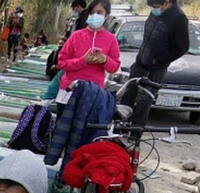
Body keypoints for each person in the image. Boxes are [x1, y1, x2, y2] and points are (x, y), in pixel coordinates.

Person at [119, 0, 188, 128]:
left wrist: (158, 60)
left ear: (167, 2)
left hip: (155, 69)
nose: (153, 9)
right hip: (140, 63)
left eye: (155, 6)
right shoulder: (155, 13)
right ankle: (120, 128)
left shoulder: (179, 18)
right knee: (127, 96)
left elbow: (182, 48)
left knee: (143, 103)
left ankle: (135, 136)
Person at [56, 0, 120, 118]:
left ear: (107, 16)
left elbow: (114, 67)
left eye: (99, 12)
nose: (95, 15)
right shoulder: (76, 36)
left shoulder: (111, 39)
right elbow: (61, 62)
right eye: (92, 12)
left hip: (93, 93)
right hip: (69, 90)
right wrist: (83, 61)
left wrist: (105, 60)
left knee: (86, 131)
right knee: (62, 130)